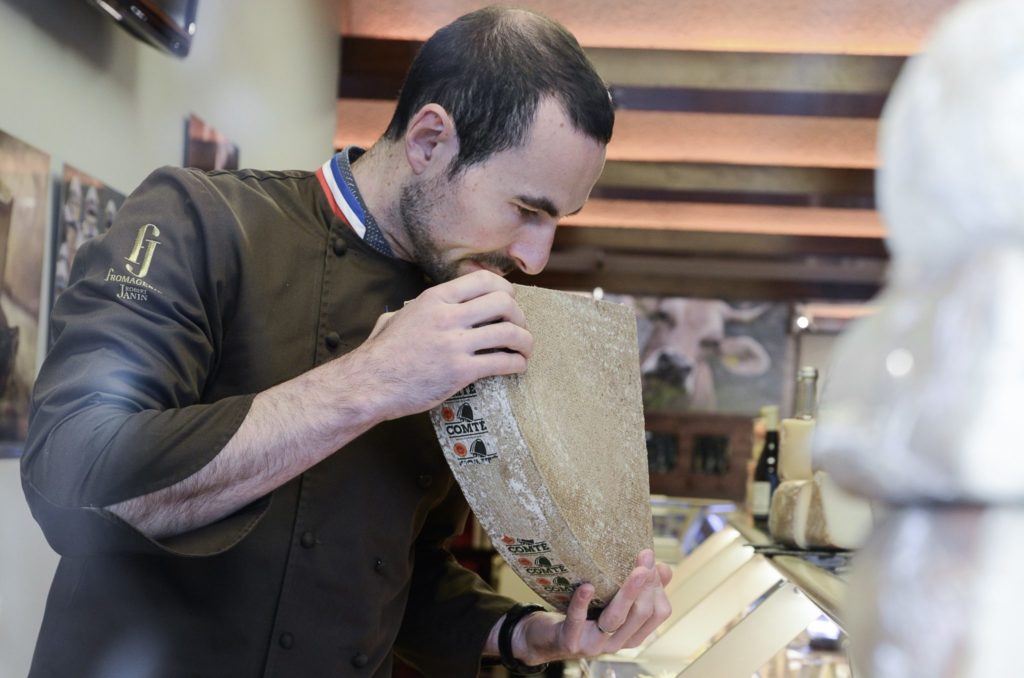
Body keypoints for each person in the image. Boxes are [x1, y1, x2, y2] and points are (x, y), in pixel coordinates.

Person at [21, 7, 671, 677]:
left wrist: (532, 636)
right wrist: (371, 382)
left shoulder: (460, 311)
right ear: (427, 141)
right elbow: (72, 477)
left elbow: (394, 570)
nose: (536, 257)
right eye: (526, 210)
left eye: (557, 220)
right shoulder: (200, 221)